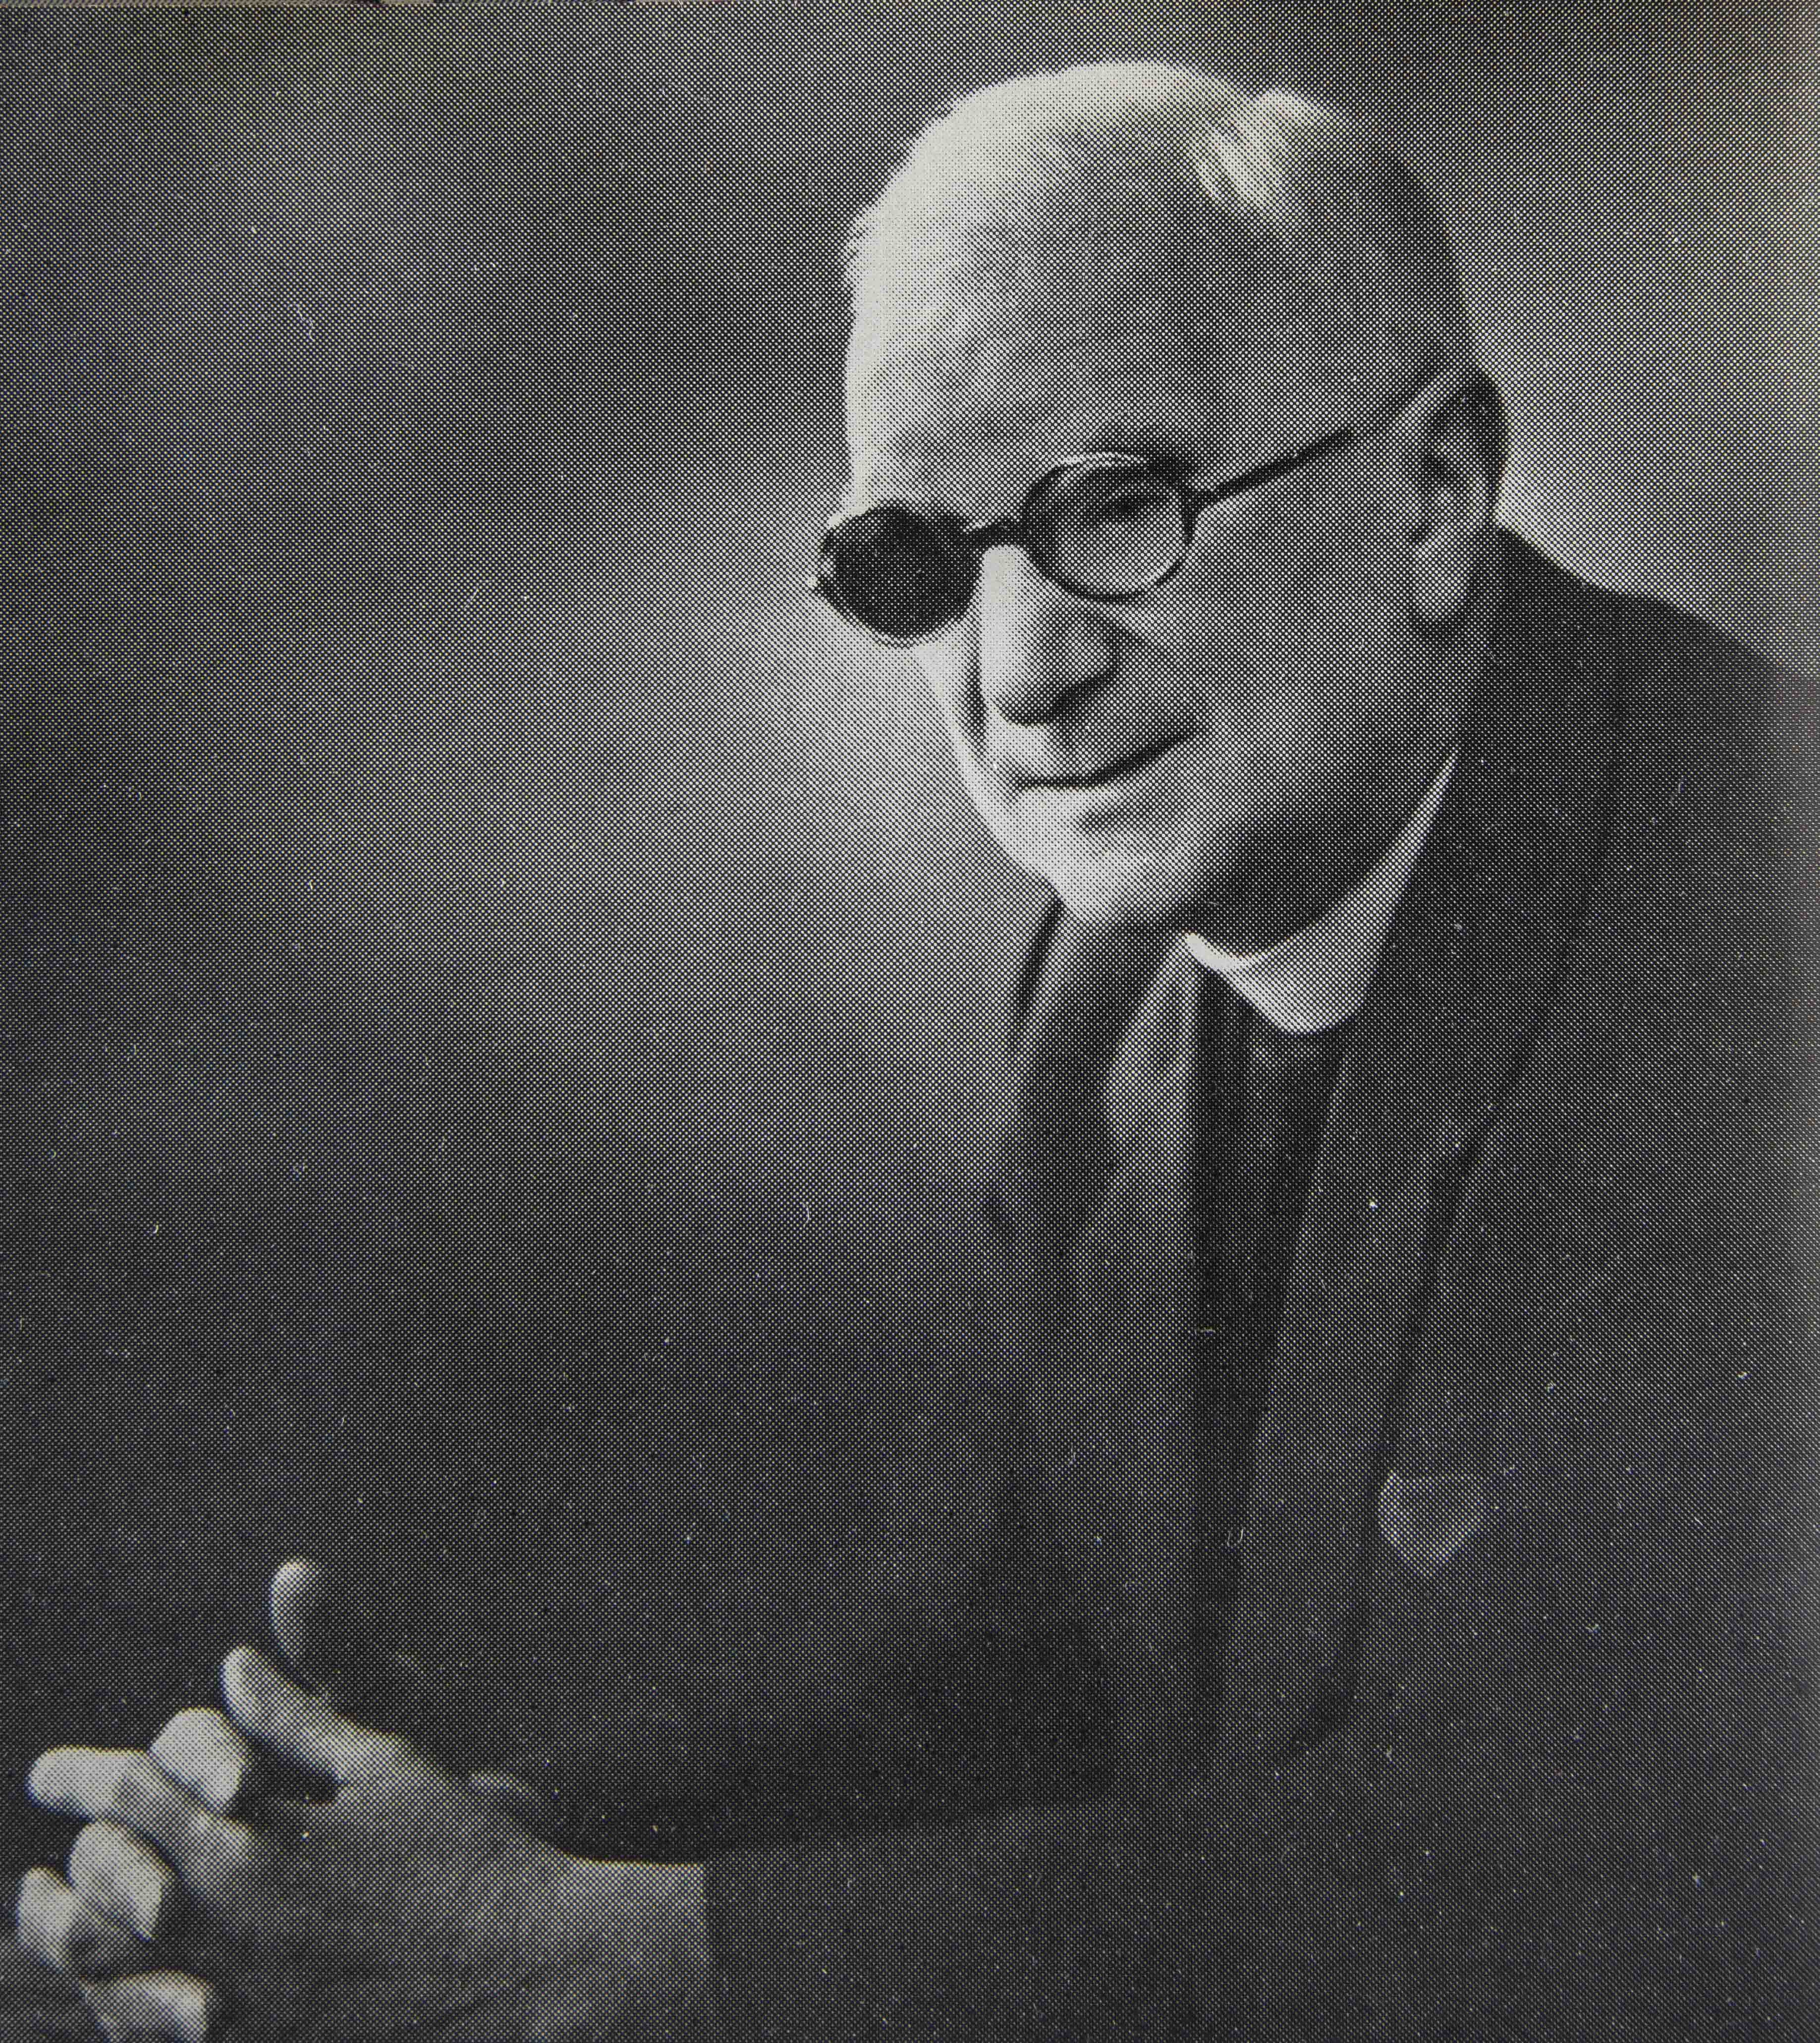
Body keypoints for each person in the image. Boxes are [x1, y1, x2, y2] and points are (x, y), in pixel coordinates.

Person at [15, 62, 1815, 2042]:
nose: (1020, 670)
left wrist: (580, 1961)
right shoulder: (1110, 995)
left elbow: (1598, 1870)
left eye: (1122, 504)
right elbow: (1003, 1684)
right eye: (920, 566)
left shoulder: (1758, 936)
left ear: (1439, 488)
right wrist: (453, 1861)